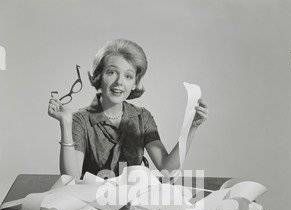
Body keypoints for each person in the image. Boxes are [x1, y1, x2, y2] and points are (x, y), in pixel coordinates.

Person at [48, 39, 208, 179]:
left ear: (134, 84)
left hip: (135, 204)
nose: (119, 82)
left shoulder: (142, 117)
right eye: (111, 72)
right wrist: (65, 123)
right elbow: (71, 179)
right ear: (99, 76)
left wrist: (192, 127)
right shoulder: (81, 120)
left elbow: (166, 168)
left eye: (128, 76)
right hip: (94, 205)